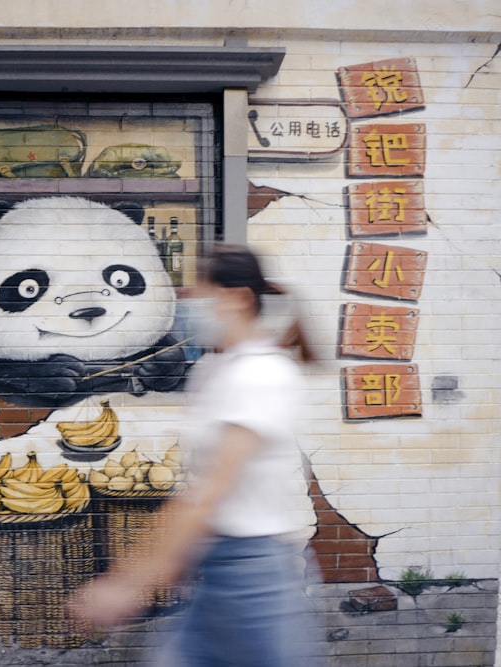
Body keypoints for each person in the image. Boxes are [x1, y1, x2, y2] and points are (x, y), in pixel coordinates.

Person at [69, 243, 322, 665]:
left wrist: (130, 580)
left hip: (253, 574)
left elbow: (209, 492)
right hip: (216, 566)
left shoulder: (263, 374)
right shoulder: (217, 370)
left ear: (237, 298)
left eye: (201, 296)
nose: (191, 307)